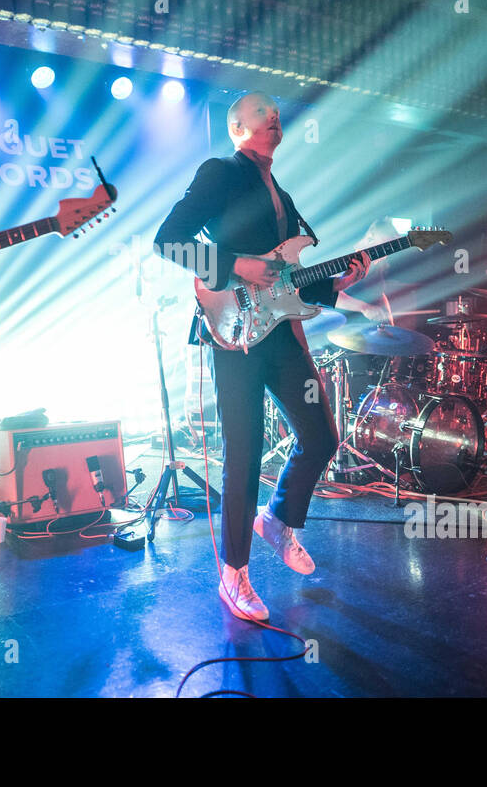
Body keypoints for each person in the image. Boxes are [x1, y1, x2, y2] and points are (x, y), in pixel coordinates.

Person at [155, 91, 369, 621]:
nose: (275, 120)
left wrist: (338, 282)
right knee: (244, 450)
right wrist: (238, 267)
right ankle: (234, 575)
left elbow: (291, 278)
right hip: (232, 330)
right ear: (235, 128)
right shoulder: (219, 173)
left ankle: (278, 519)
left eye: (277, 115)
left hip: (280, 331)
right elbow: (169, 241)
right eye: (262, 115)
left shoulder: (283, 195)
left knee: (321, 434)